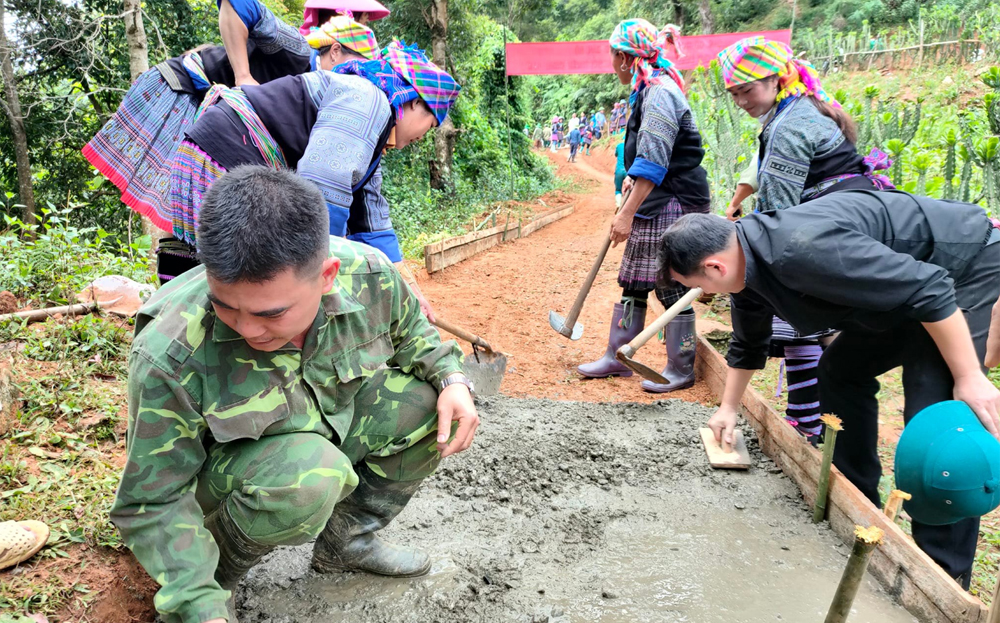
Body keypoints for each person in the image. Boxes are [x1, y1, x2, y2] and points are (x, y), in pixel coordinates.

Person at [111, 166, 480, 623]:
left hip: (316, 429)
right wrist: (197, 606)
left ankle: (348, 541)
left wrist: (452, 379)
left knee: (428, 405)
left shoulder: (369, 276)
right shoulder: (170, 352)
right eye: (225, 305)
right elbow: (153, 499)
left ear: (326, 276)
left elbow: (415, 336)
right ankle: (215, 579)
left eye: (271, 313)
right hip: (223, 478)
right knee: (312, 474)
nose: (246, 328)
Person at [658, 190, 1000, 589]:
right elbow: (749, 344)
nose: (708, 295)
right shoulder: (746, 269)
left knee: (938, 427)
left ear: (714, 266)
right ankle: (859, 502)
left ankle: (943, 576)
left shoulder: (800, 251)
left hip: (961, 270)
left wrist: (969, 376)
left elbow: (932, 289)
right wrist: (728, 408)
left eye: (698, 286)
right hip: (912, 289)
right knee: (839, 370)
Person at [165, 39, 460, 321]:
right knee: (232, 284)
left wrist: (410, 291)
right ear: (412, 100)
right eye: (431, 123)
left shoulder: (373, 135)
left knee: (244, 285)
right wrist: (320, 271)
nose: (422, 136)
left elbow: (372, 223)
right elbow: (321, 190)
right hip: (227, 155)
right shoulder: (368, 100)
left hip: (229, 157)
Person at [717, 37, 894, 443]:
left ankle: (811, 425)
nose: (741, 101)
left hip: (834, 232)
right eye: (733, 94)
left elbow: (779, 216)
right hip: (849, 224)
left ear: (778, 79)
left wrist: (745, 255)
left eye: (748, 90)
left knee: (793, 317)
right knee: (816, 330)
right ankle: (816, 422)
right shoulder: (802, 109)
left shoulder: (789, 125)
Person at [83, 0, 315, 251]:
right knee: (186, 205)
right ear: (333, 52)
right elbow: (236, 2)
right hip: (177, 92)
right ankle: (184, 278)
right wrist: (243, 76)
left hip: (205, 102)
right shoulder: (299, 50)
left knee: (195, 206)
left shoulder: (310, 104)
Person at [576, 19, 710, 393]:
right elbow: (646, 159)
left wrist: (625, 213)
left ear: (623, 56)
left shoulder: (661, 93)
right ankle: (617, 357)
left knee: (671, 284)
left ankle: (680, 368)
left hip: (675, 200)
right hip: (656, 196)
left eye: (611, 56)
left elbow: (654, 162)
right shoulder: (648, 90)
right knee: (634, 281)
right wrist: (633, 179)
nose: (610, 63)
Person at [614, 139, 627, 208]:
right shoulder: (631, 147)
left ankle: (618, 204)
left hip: (618, 170)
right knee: (629, 189)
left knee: (618, 189)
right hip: (628, 171)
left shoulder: (619, 146)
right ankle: (626, 206)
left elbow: (615, 154)